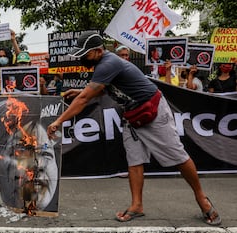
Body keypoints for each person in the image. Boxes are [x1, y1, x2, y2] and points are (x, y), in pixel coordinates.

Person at [46, 31, 221, 226]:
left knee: (178, 156)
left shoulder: (108, 63)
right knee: (134, 158)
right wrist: (81, 90)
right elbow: (101, 89)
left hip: (152, 112)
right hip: (133, 115)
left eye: (84, 54)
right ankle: (137, 205)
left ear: (97, 51)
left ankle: (202, 200)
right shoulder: (103, 64)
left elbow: (84, 99)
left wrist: (58, 121)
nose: (81, 59)